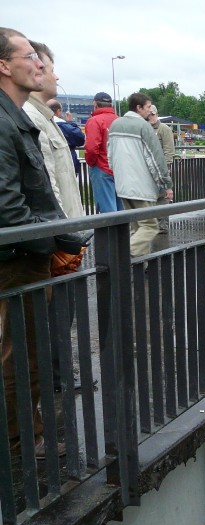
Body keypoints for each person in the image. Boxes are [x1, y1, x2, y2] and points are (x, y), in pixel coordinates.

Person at [0, 27, 84, 458]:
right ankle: (21, 439)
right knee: (21, 351)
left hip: (26, 252)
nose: (39, 64)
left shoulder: (15, 117)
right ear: (4, 65)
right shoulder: (6, 121)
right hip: (19, 257)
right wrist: (52, 244)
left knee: (26, 350)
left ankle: (25, 432)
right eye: (29, 56)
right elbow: (10, 208)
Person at [22, 42, 83, 219]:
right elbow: (48, 190)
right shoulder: (32, 117)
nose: (56, 77)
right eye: (52, 70)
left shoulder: (44, 117)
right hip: (61, 237)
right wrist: (65, 234)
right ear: (37, 71)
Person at [107, 91, 173, 257]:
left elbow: (110, 155)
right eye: (148, 107)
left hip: (123, 185)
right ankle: (123, 256)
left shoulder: (115, 124)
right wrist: (166, 184)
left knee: (136, 227)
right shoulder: (144, 127)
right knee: (150, 226)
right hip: (141, 187)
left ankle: (138, 267)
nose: (150, 111)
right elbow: (155, 159)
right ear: (139, 107)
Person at [84, 91, 122, 212]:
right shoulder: (119, 120)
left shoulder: (94, 121)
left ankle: (109, 231)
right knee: (121, 209)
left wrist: (92, 163)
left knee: (107, 210)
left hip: (101, 167)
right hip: (119, 168)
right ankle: (123, 231)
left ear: (95, 104)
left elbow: (91, 148)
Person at [147, 103, 175, 232]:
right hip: (147, 170)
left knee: (163, 198)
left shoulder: (164, 129)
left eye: (152, 115)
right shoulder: (144, 128)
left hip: (161, 170)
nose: (150, 117)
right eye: (148, 115)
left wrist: (166, 169)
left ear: (157, 115)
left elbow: (169, 151)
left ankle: (162, 227)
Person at [47, 99, 84, 176]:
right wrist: (70, 123)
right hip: (67, 163)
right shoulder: (65, 126)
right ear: (58, 111)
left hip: (49, 164)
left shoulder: (42, 123)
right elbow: (81, 139)